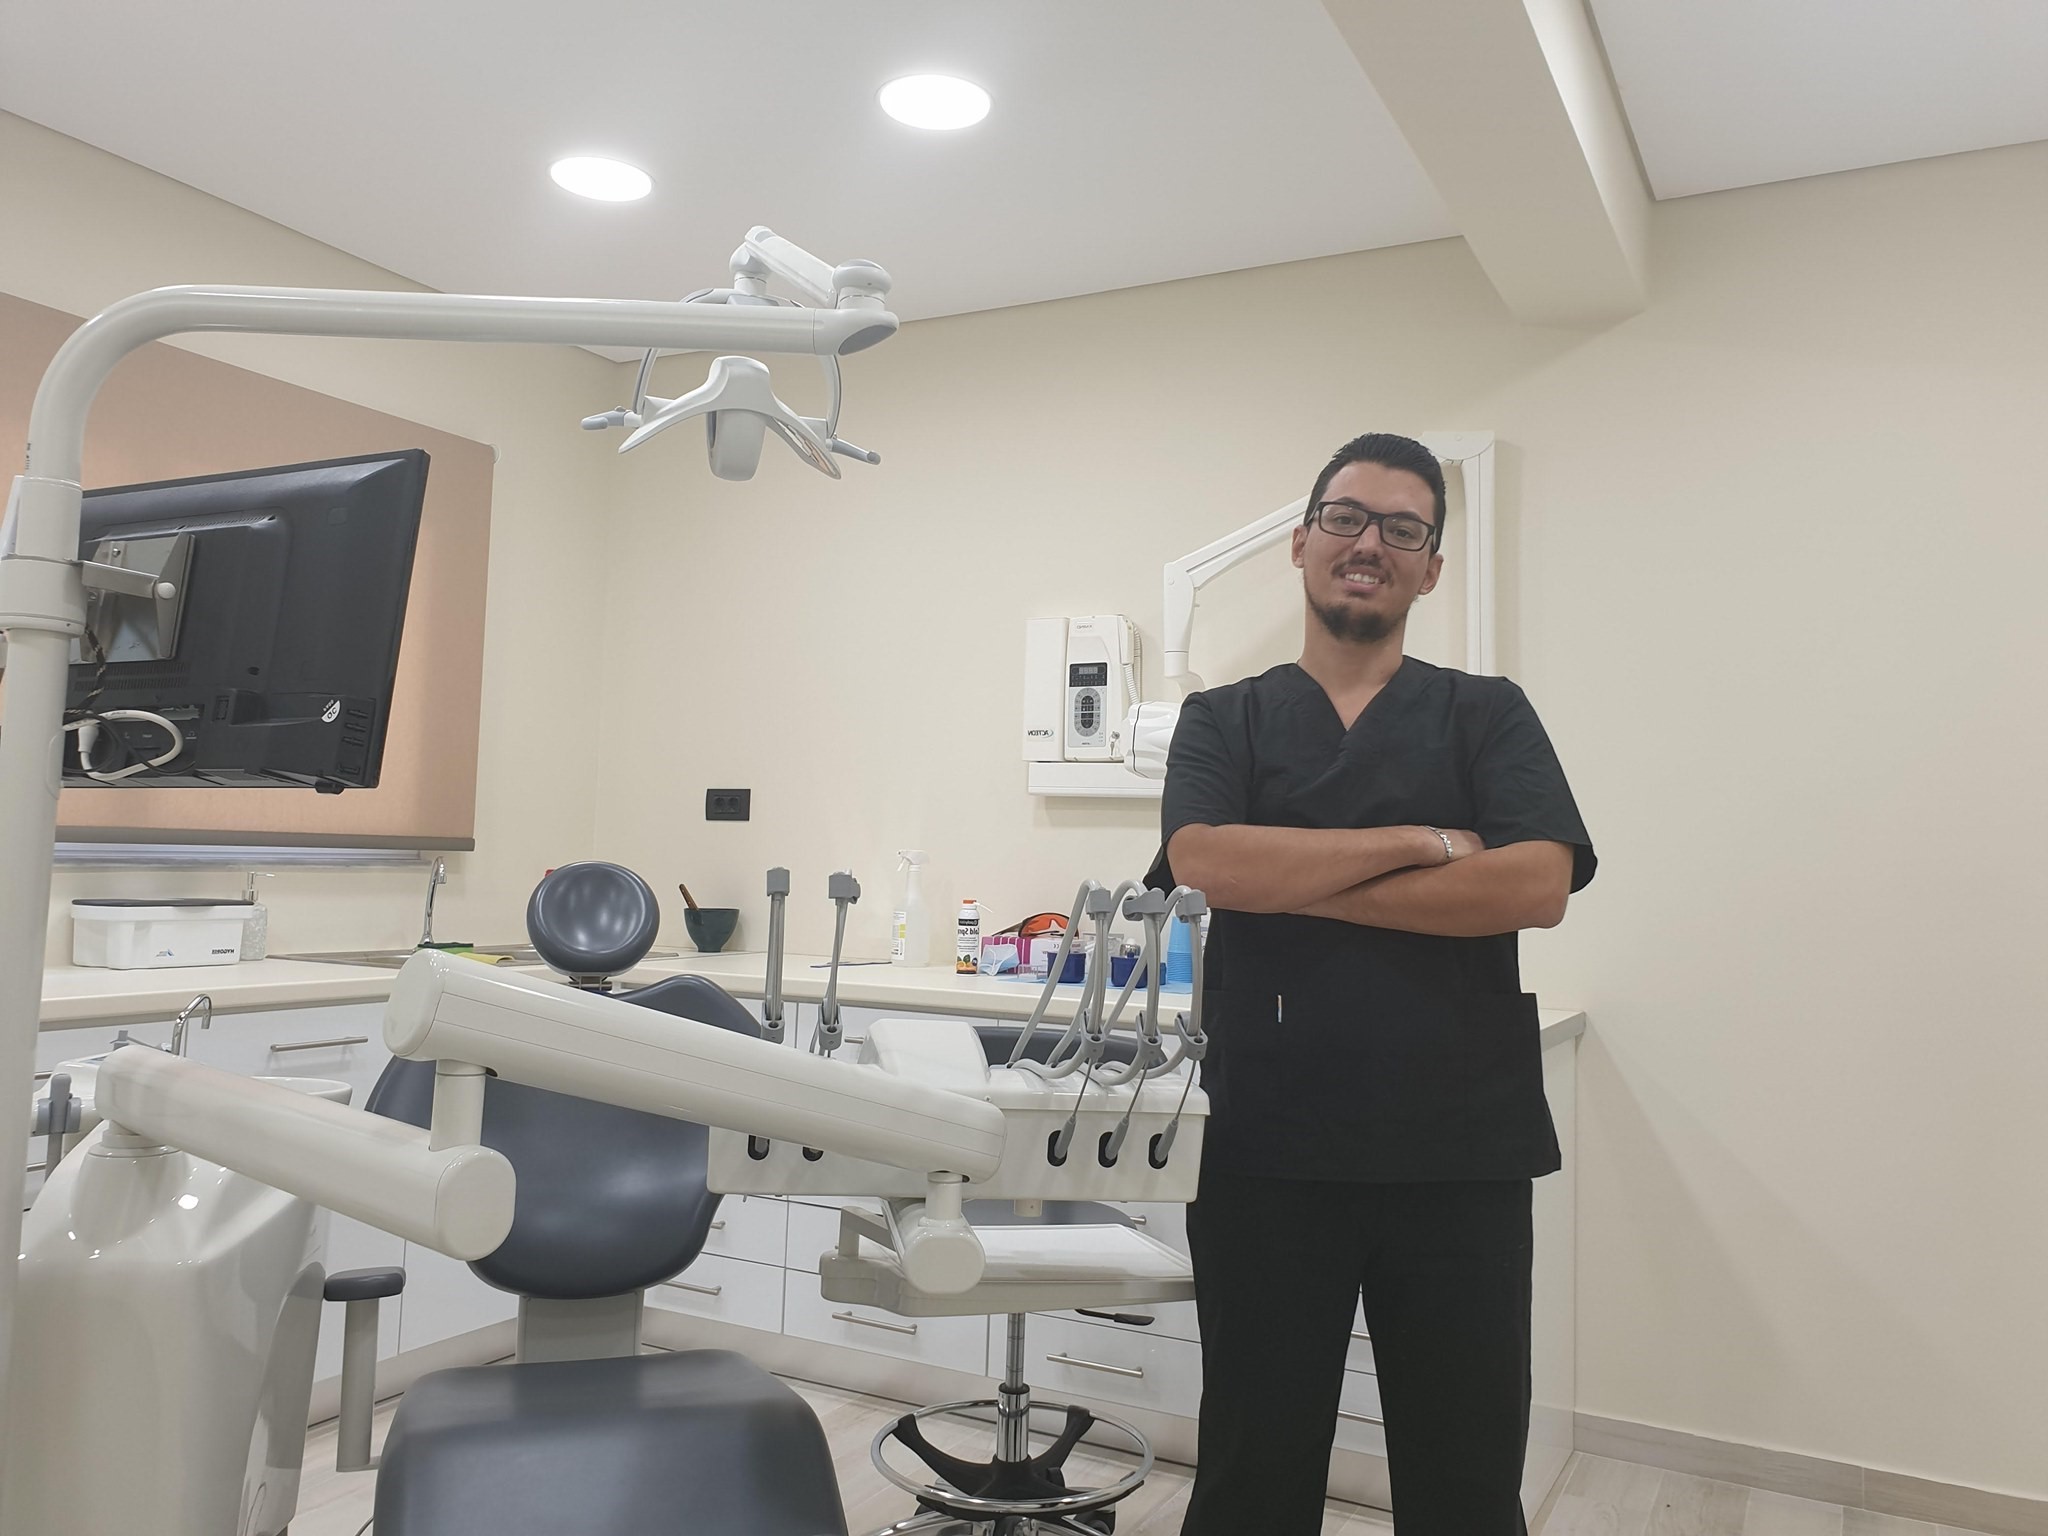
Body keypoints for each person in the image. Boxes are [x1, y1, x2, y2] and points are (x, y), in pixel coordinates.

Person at [1153, 432, 1596, 1536]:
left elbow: (1536, 883)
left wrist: (1294, 883)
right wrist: (1425, 844)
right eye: (1346, 518)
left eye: (1403, 529)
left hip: (1458, 1153)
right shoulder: (1223, 718)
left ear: (1430, 569)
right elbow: (1205, 863)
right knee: (1251, 1475)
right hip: (1265, 1148)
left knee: (1465, 1481)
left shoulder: (1486, 713)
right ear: (1301, 543)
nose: (1369, 544)